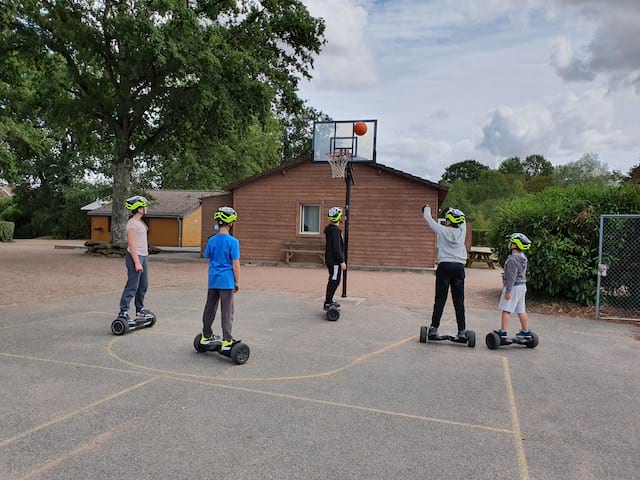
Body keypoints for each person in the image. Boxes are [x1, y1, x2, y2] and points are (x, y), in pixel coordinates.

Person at [422, 205, 468, 339]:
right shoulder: (463, 231)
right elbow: (462, 218)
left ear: (449, 221)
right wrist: (453, 209)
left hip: (445, 267)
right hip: (459, 268)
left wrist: (427, 208)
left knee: (440, 299)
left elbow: (428, 219)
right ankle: (462, 331)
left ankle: (434, 328)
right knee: (459, 301)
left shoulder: (443, 230)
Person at [199, 207, 240, 351]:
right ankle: (227, 339)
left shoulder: (211, 240)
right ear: (230, 223)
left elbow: (209, 258)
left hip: (213, 280)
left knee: (210, 307)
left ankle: (206, 335)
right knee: (227, 311)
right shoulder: (233, 242)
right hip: (227, 281)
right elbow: (235, 264)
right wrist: (237, 281)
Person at [117, 195, 154, 325]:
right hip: (135, 257)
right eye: (144, 206)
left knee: (143, 285)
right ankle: (123, 312)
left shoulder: (140, 222)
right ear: (139, 208)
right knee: (132, 285)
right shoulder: (132, 223)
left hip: (143, 256)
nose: (146, 208)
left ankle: (140, 310)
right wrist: (137, 262)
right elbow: (132, 244)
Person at [497, 233, 532, 337]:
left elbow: (511, 277)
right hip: (522, 286)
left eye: (511, 242)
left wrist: (508, 291)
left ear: (515, 245)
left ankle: (503, 332)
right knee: (521, 310)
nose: (509, 244)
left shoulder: (512, 259)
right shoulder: (522, 257)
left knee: (506, 309)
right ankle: (525, 331)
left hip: (514, 287)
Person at [323, 206, 347, 310]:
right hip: (335, 261)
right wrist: (341, 261)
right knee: (334, 281)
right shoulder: (335, 231)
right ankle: (328, 302)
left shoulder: (331, 230)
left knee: (334, 280)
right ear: (339, 218)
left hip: (331, 260)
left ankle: (329, 300)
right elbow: (336, 248)